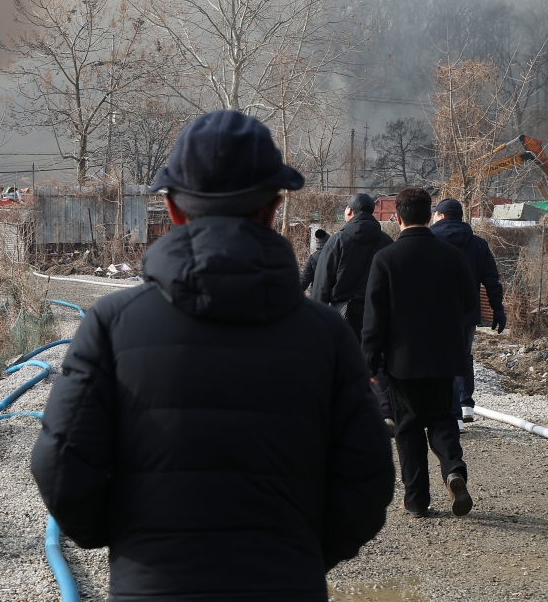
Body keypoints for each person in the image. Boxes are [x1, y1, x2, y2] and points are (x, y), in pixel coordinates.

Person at [31, 110, 393, 601]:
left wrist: (131, 539)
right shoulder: (327, 337)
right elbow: (367, 483)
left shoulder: (111, 324)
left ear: (174, 211)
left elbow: (61, 467)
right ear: (273, 208)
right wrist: (298, 553)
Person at [362, 187, 476, 518]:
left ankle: (416, 500)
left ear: (397, 218)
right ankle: (453, 469)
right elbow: (469, 303)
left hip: (403, 360)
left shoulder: (385, 259)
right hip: (445, 355)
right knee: (442, 417)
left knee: (409, 426)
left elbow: (374, 317)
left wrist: (369, 359)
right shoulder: (454, 256)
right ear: (430, 216)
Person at [312, 192, 395, 428]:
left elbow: (322, 282)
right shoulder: (386, 241)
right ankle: (384, 412)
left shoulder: (337, 240)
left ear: (350, 211)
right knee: (376, 361)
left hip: (343, 311)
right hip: (378, 310)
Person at [430, 198, 508, 428]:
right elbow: (492, 281)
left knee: (437, 359)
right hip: (467, 312)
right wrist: (498, 309)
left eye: (436, 214)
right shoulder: (479, 244)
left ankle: (449, 412)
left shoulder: (429, 240)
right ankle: (465, 406)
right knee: (462, 356)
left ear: (442, 216)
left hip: (434, 312)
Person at [300, 227, 330, 292]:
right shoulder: (337, 256)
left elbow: (304, 279)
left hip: (317, 295)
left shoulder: (313, 258)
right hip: (334, 297)